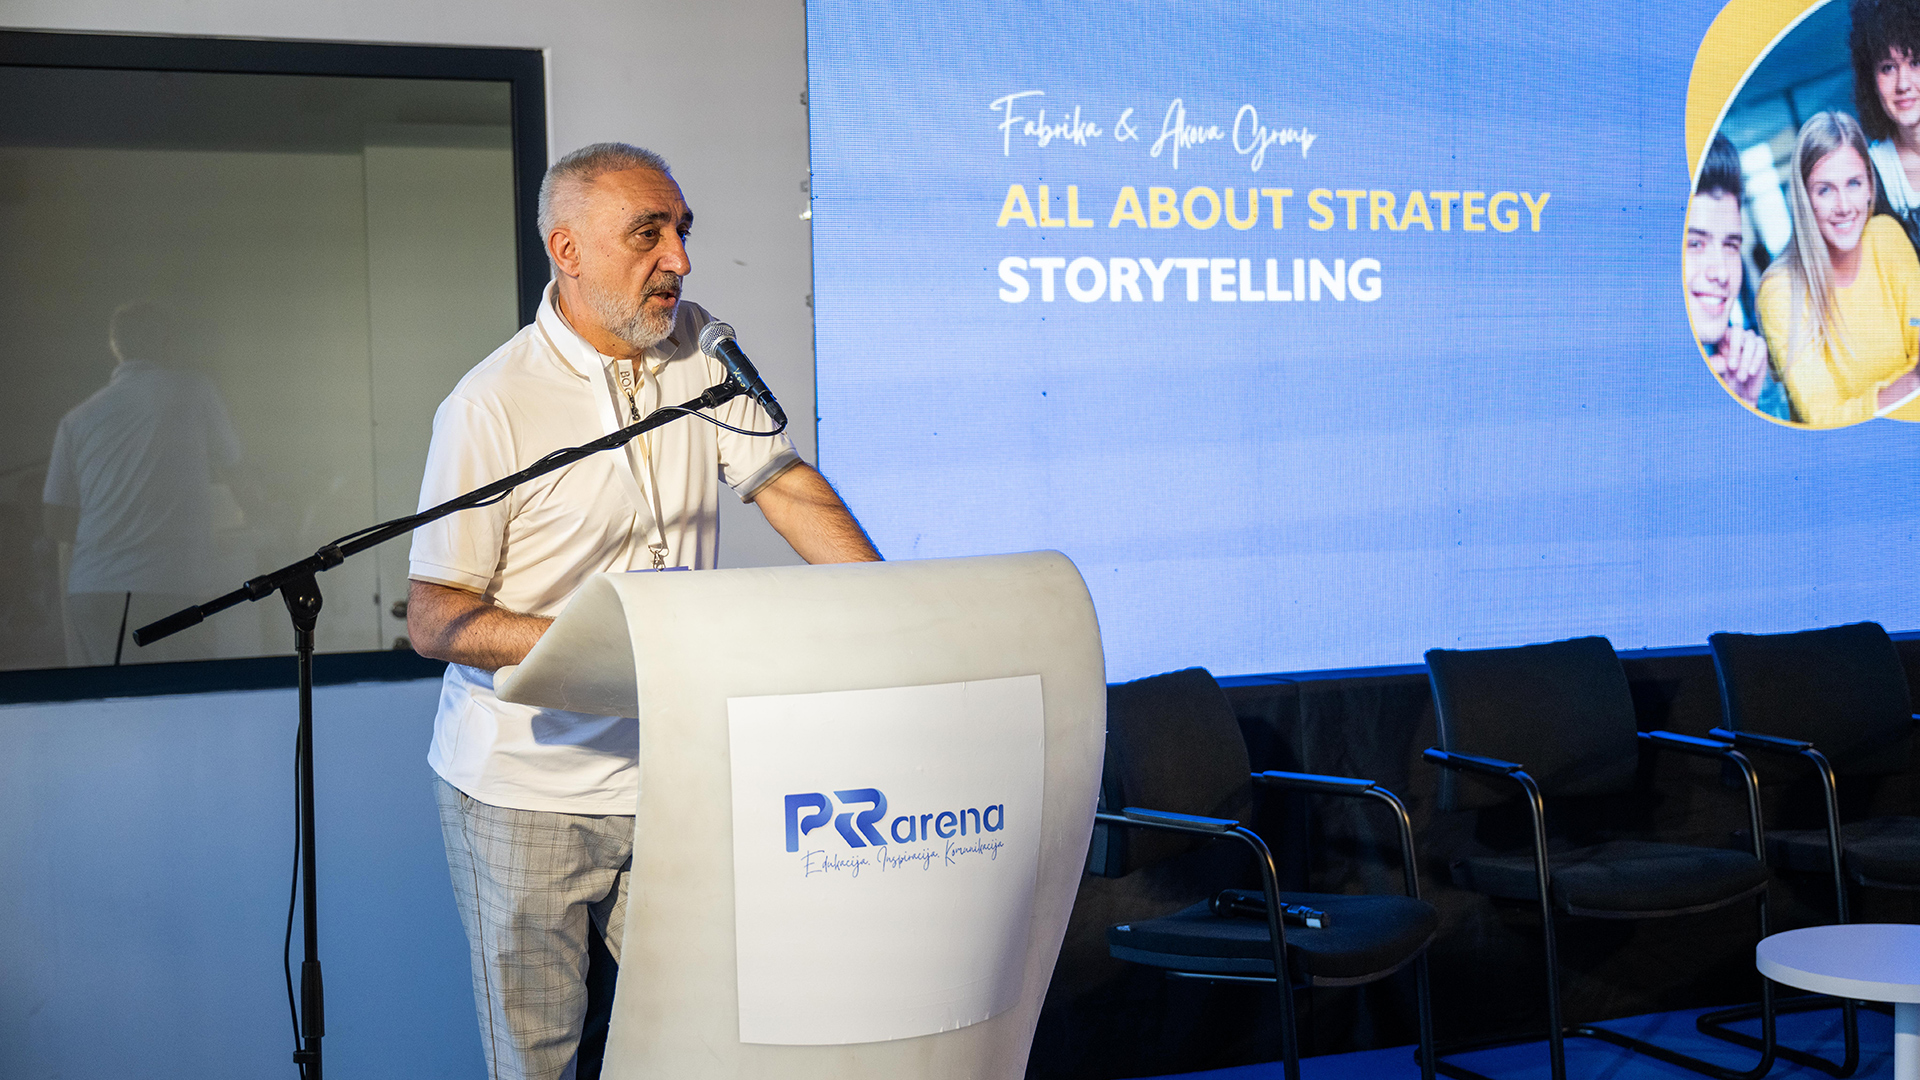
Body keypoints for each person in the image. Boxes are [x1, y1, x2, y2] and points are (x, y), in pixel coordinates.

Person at [406, 143, 882, 1080]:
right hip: (525, 787)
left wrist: (887, 606)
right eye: (648, 235)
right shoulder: (489, 403)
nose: (680, 260)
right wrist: (616, 647)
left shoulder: (700, 348)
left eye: (683, 231)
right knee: (539, 1059)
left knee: (696, 1046)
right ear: (568, 250)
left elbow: (781, 480)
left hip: (672, 775)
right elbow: (437, 620)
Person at [42, 300, 245, 665]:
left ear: (114, 346)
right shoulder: (194, 390)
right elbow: (235, 468)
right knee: (188, 692)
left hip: (94, 589)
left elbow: (55, 520)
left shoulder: (77, 419)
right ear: (168, 342)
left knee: (115, 698)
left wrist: (113, 539)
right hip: (174, 584)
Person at [1755, 111, 1920, 427]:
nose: (1844, 206)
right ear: (1805, 198)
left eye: (1854, 183)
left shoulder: (1886, 236)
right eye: (1825, 190)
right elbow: (1823, 419)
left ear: (1870, 186)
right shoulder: (1780, 291)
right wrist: (1911, 381)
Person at [1686, 134, 1790, 418]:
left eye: (1730, 245)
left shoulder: (1734, 374)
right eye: (1694, 243)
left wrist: (1744, 406)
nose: (1721, 272)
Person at [1852, 0, 1920, 243]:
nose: (1903, 84)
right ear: (1870, 82)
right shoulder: (1869, 178)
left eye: (1915, 63)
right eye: (1888, 68)